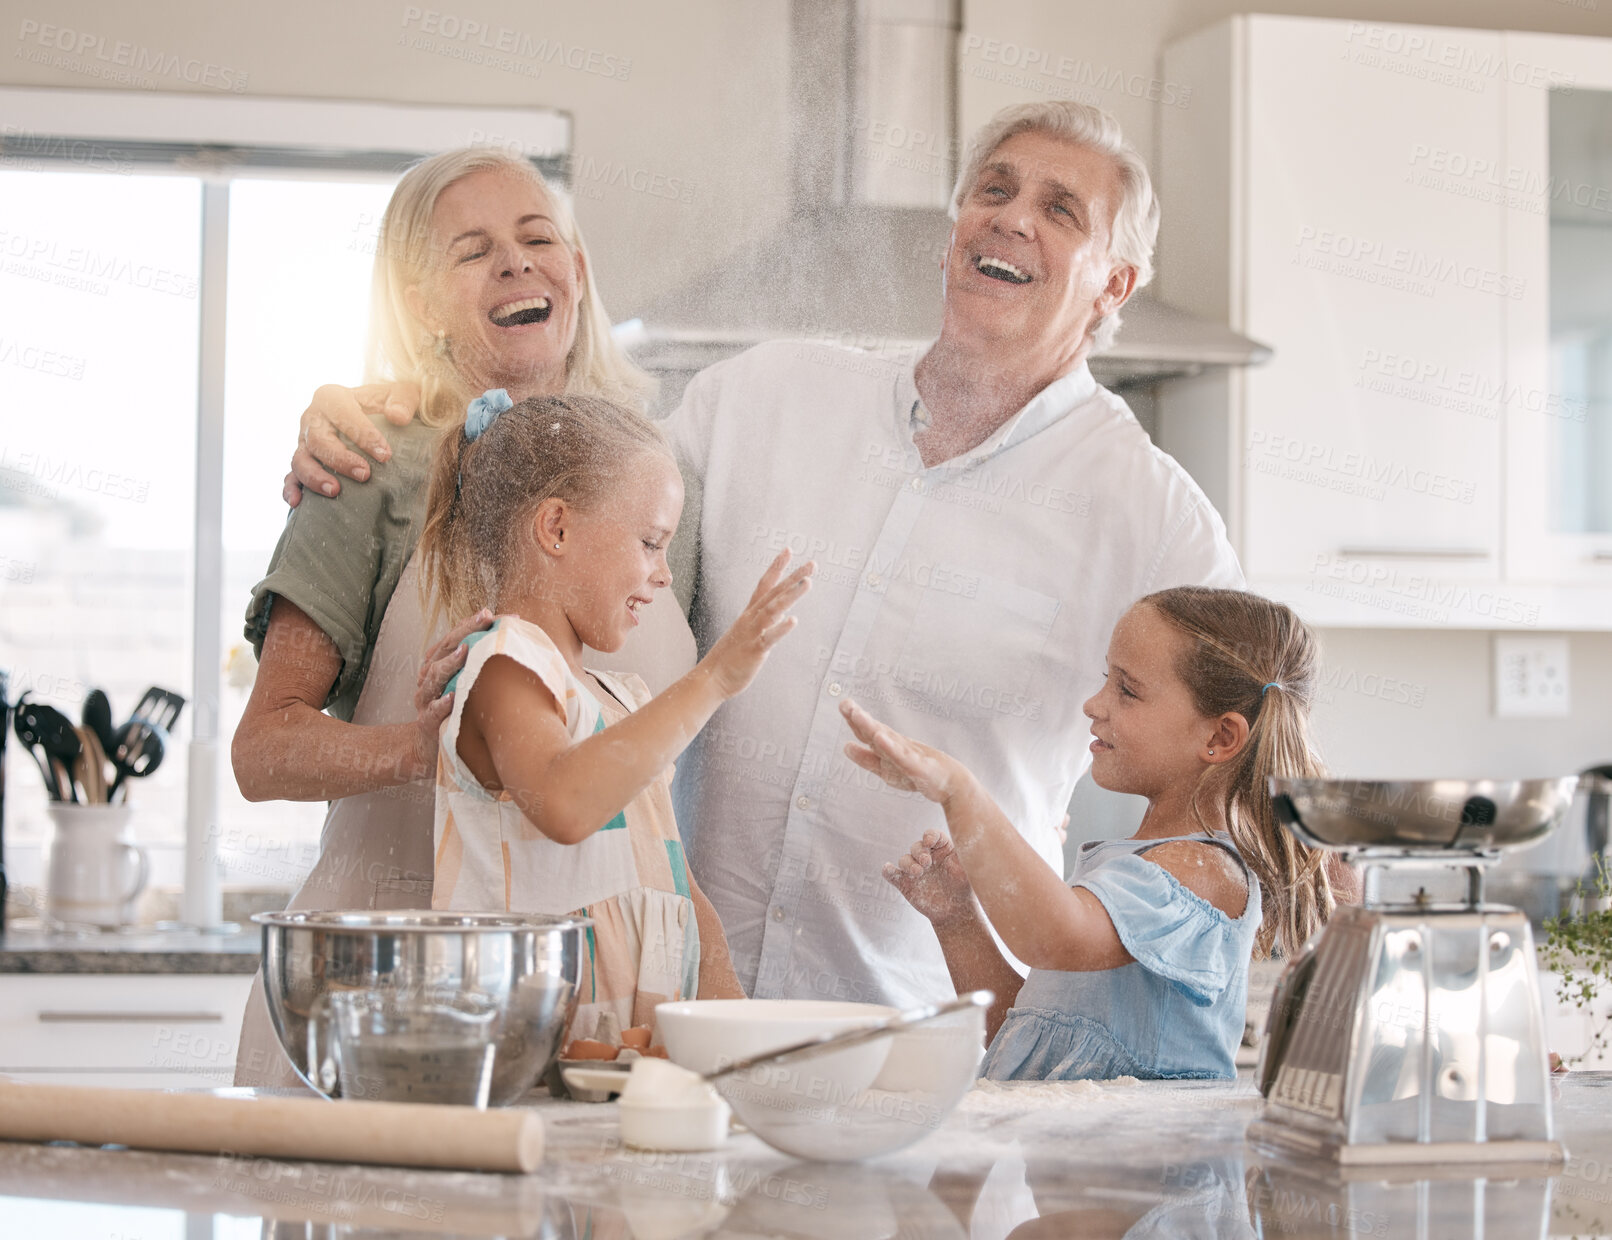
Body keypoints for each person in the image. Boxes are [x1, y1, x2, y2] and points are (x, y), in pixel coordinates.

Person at [283, 100, 1244, 1010]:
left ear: (1114, 284)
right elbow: (552, 489)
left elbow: (1230, 778)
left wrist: (1107, 981)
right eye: (993, 191)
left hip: (924, 1034)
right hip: (666, 1016)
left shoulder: (1154, 517)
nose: (1012, 219)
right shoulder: (757, 401)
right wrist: (366, 413)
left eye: (1059, 208)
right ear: (954, 227)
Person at [231, 147, 690, 1087]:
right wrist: (428, 749)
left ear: (578, 271)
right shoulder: (368, 463)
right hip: (383, 989)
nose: (517, 264)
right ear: (419, 302)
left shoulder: (654, 473)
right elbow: (263, 748)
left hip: (605, 1008)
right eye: (471, 251)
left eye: (537, 239)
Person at [420, 389, 813, 1032]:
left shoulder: (621, 699)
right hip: (524, 1068)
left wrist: (745, 1040)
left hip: (628, 1067)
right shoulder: (503, 667)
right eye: (651, 542)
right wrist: (714, 678)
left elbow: (681, 893)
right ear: (557, 528)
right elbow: (565, 803)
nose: (662, 573)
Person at [842, 587, 1341, 1081]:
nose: (1093, 704)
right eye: (1107, 679)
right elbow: (1029, 1029)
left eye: (1127, 690)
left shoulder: (1205, 871)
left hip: (1153, 1162)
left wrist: (960, 791)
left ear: (1219, 737)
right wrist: (956, 920)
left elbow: (1054, 939)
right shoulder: (1132, 866)